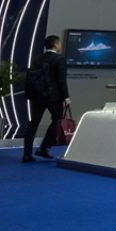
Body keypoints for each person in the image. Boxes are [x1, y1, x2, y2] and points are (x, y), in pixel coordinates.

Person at [23, 35, 70, 163]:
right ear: (55, 44)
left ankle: (27, 154)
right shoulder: (60, 59)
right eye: (59, 43)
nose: (60, 45)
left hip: (37, 95)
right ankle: (44, 147)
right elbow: (61, 80)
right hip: (54, 96)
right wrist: (66, 97)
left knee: (33, 123)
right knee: (57, 121)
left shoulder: (37, 58)